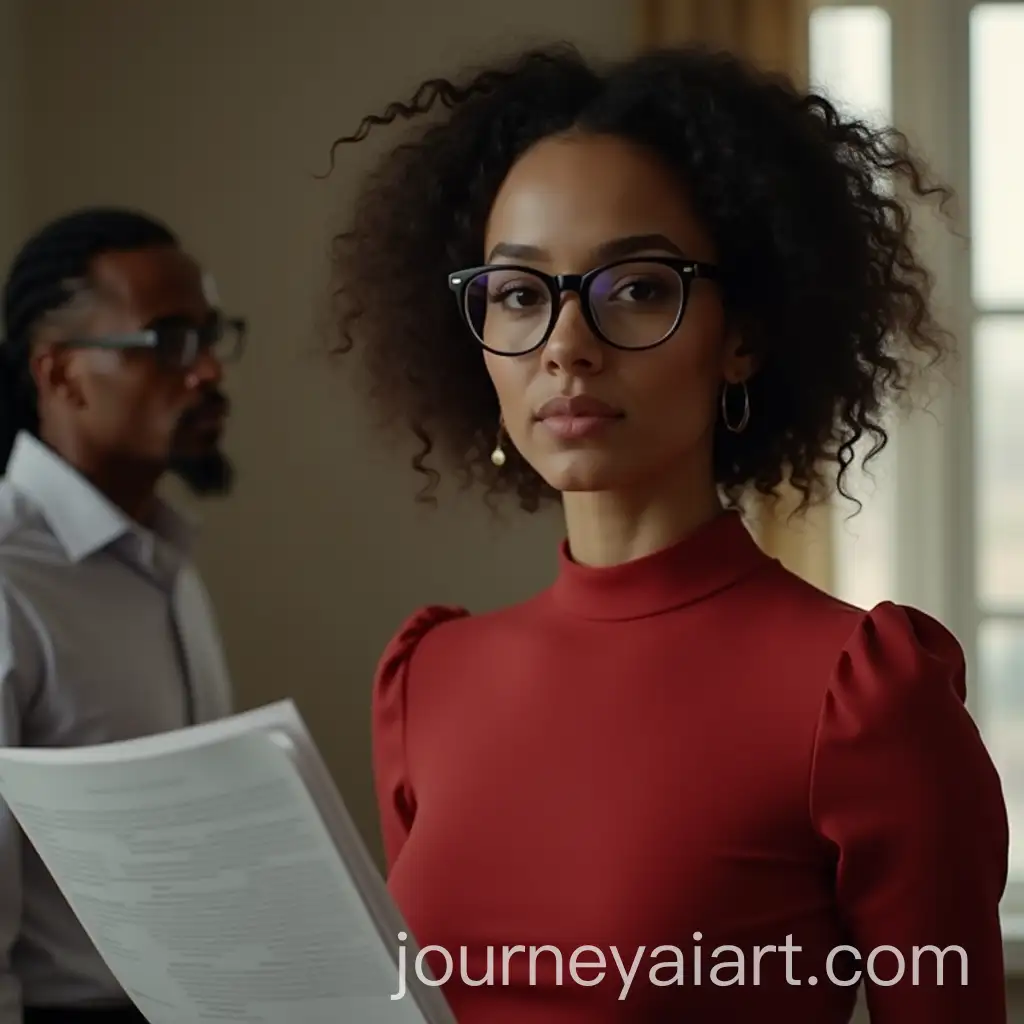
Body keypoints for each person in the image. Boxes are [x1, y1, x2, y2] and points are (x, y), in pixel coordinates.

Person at [326, 43, 1009, 1024]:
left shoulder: (860, 692)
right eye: (520, 294)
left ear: (743, 336)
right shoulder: (426, 677)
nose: (565, 344)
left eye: (637, 287)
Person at [0, 207, 244, 1024]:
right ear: (61, 373)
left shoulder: (166, 564)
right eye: (169, 340)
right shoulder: (10, 583)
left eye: (211, 337)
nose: (207, 369)